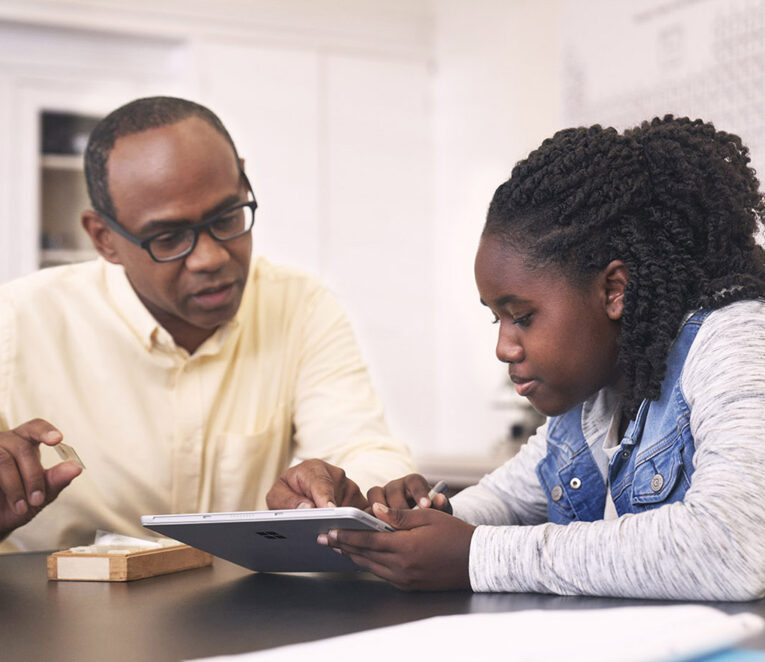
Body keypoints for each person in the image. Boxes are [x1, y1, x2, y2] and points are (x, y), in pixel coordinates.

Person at [311, 116, 765, 601]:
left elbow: (733, 542)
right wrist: (411, 522)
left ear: (615, 290)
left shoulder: (733, 339)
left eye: (522, 316)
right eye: (496, 319)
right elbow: (501, 502)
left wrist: (476, 556)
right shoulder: (595, 399)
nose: (504, 348)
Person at [0, 96, 414, 552]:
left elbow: (363, 448)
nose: (211, 257)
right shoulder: (17, 322)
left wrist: (339, 490)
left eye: (227, 217)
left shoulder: (299, 305)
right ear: (104, 239)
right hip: (59, 613)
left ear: (242, 179)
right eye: (169, 237)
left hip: (239, 612)